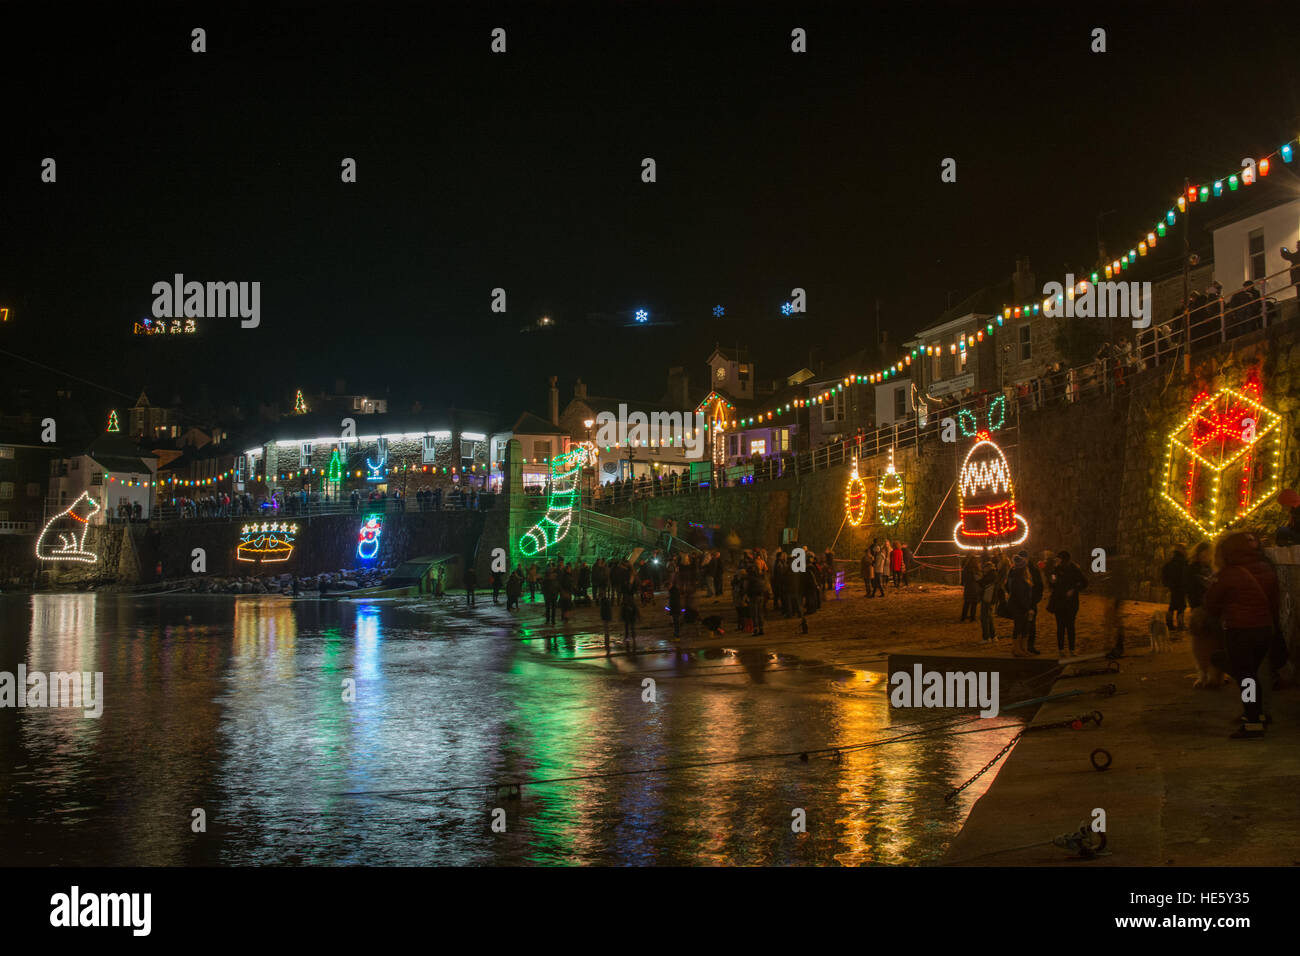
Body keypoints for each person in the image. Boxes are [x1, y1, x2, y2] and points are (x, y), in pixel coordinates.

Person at [1204, 532, 1280, 737]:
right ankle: (1258, 714)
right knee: (1252, 675)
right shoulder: (1266, 568)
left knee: (1246, 678)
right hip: (1264, 629)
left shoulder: (1228, 574)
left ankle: (1252, 721)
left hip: (1240, 631)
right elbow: (1275, 601)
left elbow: (1211, 604)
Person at [1047, 550, 1088, 656]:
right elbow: (1052, 584)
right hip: (1059, 602)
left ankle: (1072, 649)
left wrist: (1074, 589)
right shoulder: (1056, 569)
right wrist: (1052, 581)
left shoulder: (1074, 569)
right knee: (1060, 626)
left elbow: (1084, 582)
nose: (1057, 560)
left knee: (1070, 626)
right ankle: (1061, 649)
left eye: (1059, 559)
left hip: (1071, 603)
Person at [1007, 555, 1035, 656]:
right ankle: (1017, 648)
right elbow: (1020, 595)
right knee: (1019, 626)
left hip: (1021, 605)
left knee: (1024, 627)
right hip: (1018, 606)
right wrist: (1028, 607)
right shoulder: (1018, 578)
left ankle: (1022, 648)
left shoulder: (1019, 577)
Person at [1162, 545, 1188, 630]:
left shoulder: (1171, 561)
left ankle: (1169, 622)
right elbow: (1185, 574)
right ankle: (1180, 623)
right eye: (1184, 549)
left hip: (1173, 586)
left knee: (1173, 604)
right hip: (1181, 586)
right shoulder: (1183, 561)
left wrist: (1167, 584)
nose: (1186, 550)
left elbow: (1165, 572)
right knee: (1181, 605)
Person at [976, 559, 997, 643]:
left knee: (984, 617)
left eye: (984, 568)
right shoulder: (994, 574)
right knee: (989, 617)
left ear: (988, 568)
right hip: (991, 598)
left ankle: (986, 637)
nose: (983, 570)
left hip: (987, 598)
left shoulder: (990, 575)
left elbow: (983, 583)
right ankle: (993, 636)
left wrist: (978, 579)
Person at [620, 582, 639, 651]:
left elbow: (634, 608)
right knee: (629, 626)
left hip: (629, 615)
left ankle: (629, 637)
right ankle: (630, 637)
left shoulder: (628, 601)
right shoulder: (629, 601)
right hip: (629, 615)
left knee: (629, 626)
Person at [600, 588, 614, 654]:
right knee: (606, 628)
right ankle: (607, 639)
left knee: (606, 628)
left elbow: (606, 610)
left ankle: (607, 639)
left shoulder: (604, 601)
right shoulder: (605, 601)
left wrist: (605, 616)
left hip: (606, 617)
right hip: (606, 616)